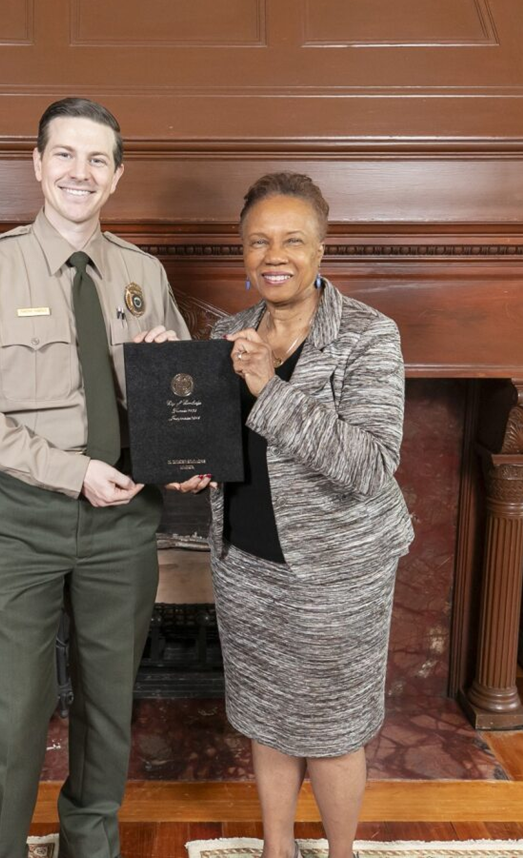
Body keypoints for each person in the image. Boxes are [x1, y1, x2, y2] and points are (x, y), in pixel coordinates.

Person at [0, 97, 190, 858]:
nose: (81, 172)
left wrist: (178, 415)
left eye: (98, 159)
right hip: (20, 521)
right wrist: (68, 472)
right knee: (10, 715)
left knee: (109, 706)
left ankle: (90, 845)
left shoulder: (143, 273)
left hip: (122, 526)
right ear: (38, 165)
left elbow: (174, 394)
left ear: (115, 178)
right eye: (66, 156)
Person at [172, 172, 414, 858]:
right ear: (243, 253)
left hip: (338, 573)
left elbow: (367, 464)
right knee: (268, 720)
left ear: (321, 249)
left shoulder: (368, 336)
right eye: (258, 241)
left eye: (292, 240)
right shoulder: (227, 331)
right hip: (247, 563)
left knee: (334, 728)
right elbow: (231, 445)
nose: (274, 255)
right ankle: (277, 851)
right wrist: (201, 466)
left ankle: (339, 855)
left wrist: (265, 387)